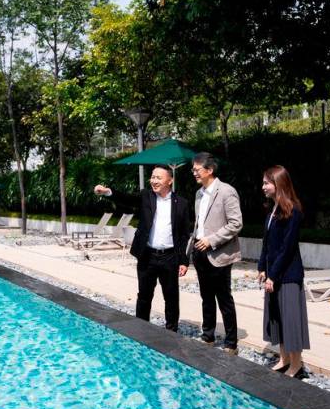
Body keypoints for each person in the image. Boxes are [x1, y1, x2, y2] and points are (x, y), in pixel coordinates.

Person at [94, 165, 190, 332]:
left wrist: (184, 260)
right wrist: (108, 192)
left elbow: (183, 235)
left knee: (171, 297)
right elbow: (127, 198)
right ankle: (141, 329)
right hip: (148, 255)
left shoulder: (181, 203)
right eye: (152, 177)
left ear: (170, 180)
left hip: (170, 257)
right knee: (144, 296)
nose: (154, 180)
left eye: (158, 178)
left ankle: (172, 332)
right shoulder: (146, 196)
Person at [258, 165, 310, 378]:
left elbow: (287, 248)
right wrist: (262, 267)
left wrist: (273, 275)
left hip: (288, 276)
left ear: (278, 184)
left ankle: (296, 365)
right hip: (273, 273)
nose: (263, 187)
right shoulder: (272, 209)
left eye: (266, 183)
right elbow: (267, 243)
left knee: (290, 320)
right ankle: (283, 358)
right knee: (277, 317)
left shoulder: (293, 210)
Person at [190, 152, 243, 354]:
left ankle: (231, 343)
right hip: (200, 253)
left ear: (209, 170)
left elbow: (236, 223)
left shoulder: (226, 192)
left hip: (219, 254)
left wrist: (211, 240)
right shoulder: (199, 194)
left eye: (197, 169)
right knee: (206, 297)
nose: (193, 173)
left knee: (224, 298)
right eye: (193, 169)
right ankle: (208, 336)